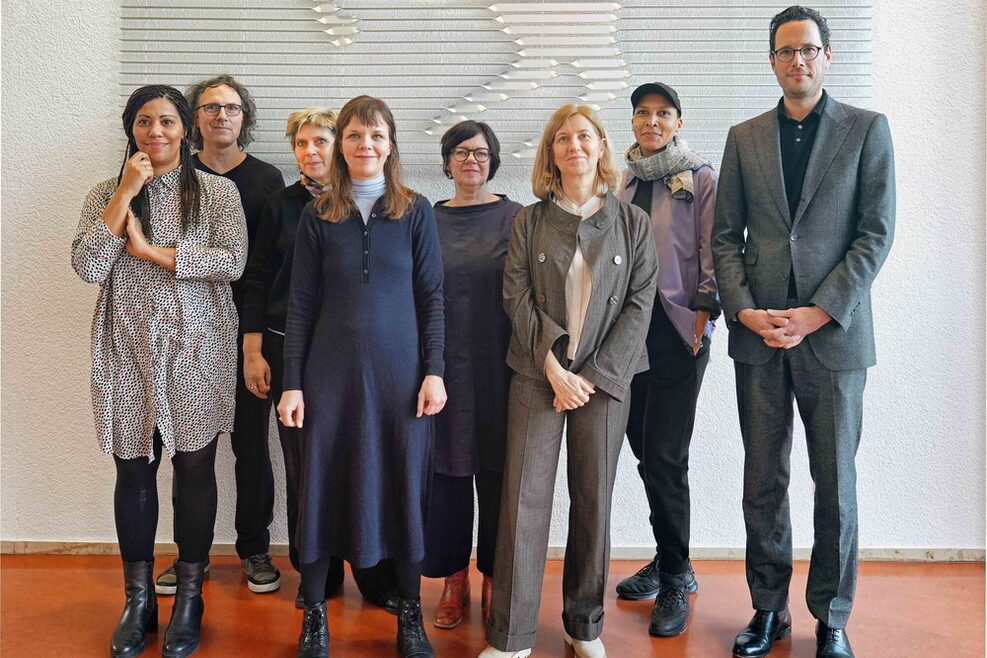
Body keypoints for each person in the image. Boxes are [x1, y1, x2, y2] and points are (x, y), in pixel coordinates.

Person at [711, 7, 895, 658]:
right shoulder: (744, 136)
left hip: (835, 337)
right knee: (762, 479)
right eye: (786, 51)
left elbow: (874, 236)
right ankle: (768, 611)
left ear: (827, 56)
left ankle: (831, 618)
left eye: (809, 50)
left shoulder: (866, 130)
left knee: (834, 482)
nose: (798, 60)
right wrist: (741, 310)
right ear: (771, 60)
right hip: (758, 337)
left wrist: (818, 311)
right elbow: (724, 238)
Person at [72, 84, 246, 658]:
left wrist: (152, 253)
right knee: (132, 467)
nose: (156, 132)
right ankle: (139, 599)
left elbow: (231, 262)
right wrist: (126, 190)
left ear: (185, 129)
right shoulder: (107, 192)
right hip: (125, 345)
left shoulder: (216, 193)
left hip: (198, 348)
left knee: (195, 466)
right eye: (144, 122)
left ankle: (191, 597)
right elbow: (88, 263)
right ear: (131, 130)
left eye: (167, 121)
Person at [479, 104, 658, 658]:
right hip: (539, 375)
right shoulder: (529, 220)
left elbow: (640, 302)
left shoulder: (632, 221)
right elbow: (517, 297)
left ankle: (586, 628)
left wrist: (595, 376)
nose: (574, 145)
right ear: (550, 153)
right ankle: (511, 639)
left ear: (602, 146)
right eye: (562, 139)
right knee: (522, 504)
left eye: (584, 136)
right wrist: (554, 367)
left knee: (593, 502)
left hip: (604, 384)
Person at [278, 95, 447, 658]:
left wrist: (435, 372)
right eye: (354, 136)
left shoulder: (416, 211)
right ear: (341, 146)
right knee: (319, 489)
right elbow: (300, 305)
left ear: (391, 143)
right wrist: (293, 383)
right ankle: (315, 616)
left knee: (403, 487)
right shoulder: (316, 215)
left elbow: (432, 298)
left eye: (375, 135)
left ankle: (410, 615)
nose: (365, 145)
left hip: (403, 382)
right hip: (329, 380)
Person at [151, 74, 286, 597]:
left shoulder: (267, 179)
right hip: (190, 333)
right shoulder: (174, 176)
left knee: (251, 445)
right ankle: (192, 557)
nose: (221, 117)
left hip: (251, 334)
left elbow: (271, 263)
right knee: (191, 450)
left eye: (230, 108)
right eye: (209, 108)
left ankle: (254, 548)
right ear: (193, 120)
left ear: (244, 118)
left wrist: (259, 341)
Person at [613, 81, 719, 638]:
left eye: (663, 113)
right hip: (626, 338)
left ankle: (676, 574)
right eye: (642, 113)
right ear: (632, 122)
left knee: (665, 456)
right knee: (641, 448)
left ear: (678, 121)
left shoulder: (699, 176)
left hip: (679, 331)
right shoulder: (623, 180)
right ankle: (668, 554)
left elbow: (713, 249)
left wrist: (704, 315)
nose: (652, 120)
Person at [240, 107, 345, 608]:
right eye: (301, 143)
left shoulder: (363, 200)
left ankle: (365, 564)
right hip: (287, 346)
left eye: (320, 141)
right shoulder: (280, 204)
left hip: (349, 350)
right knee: (302, 462)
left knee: (353, 458)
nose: (311, 152)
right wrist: (254, 349)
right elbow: (258, 278)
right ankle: (313, 573)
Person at [423, 121, 522, 630]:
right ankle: (453, 579)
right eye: (461, 152)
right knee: (449, 478)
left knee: (502, 479)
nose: (471, 161)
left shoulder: (517, 218)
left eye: (481, 152)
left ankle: (495, 578)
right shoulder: (425, 219)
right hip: (443, 369)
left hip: (504, 368)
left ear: (494, 160)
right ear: (446, 161)